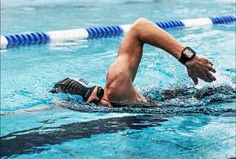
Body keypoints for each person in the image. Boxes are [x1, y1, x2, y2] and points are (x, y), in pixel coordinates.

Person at [50, 18, 216, 108]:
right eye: (93, 104)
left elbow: (139, 28)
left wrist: (189, 58)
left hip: (199, 99)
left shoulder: (115, 89)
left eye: (98, 93)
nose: (102, 101)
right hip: (168, 100)